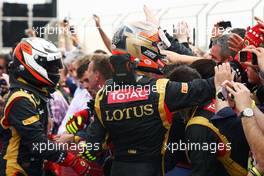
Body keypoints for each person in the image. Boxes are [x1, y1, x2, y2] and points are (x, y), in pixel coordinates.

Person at [66, 21, 232, 176]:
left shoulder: (103, 94)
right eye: (154, 46)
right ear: (140, 50)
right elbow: (205, 87)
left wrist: (78, 141)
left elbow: (93, 149)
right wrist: (223, 64)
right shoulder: (161, 89)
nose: (159, 51)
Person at [0, 37, 102, 176]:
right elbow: (37, 142)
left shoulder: (36, 94)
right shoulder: (20, 99)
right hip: (16, 170)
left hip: (33, 168)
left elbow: (39, 138)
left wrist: (70, 139)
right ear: (31, 64)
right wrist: (73, 161)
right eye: (51, 66)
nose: (56, 70)